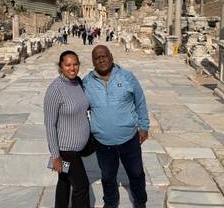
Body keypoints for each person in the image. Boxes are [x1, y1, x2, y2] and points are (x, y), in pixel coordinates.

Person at [83, 45, 149, 208]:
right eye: (97, 58)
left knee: (136, 173)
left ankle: (140, 202)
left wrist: (144, 126)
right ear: (93, 61)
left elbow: (140, 101)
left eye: (104, 56)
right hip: (103, 141)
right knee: (108, 176)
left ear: (111, 57)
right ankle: (111, 203)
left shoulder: (127, 77)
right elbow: (79, 108)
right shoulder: (87, 82)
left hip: (129, 138)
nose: (102, 60)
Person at [44, 50, 91, 208]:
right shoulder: (55, 90)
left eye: (75, 64)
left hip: (79, 147)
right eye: (68, 65)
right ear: (60, 66)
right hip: (66, 150)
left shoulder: (78, 82)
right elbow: (50, 124)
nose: (72, 68)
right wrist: (56, 156)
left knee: (64, 181)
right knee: (81, 186)